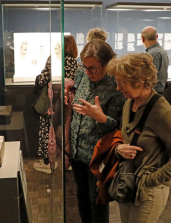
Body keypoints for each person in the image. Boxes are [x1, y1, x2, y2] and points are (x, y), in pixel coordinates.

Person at [104, 53, 171, 223]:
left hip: (148, 192)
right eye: (117, 82)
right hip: (127, 182)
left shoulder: (163, 112)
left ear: (140, 81)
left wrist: (148, 181)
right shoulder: (129, 103)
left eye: (121, 83)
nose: (118, 88)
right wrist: (119, 149)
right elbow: (123, 135)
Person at [68, 39, 125, 223]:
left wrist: (101, 118)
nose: (87, 72)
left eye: (93, 68)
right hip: (78, 151)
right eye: (84, 66)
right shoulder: (83, 74)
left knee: (97, 201)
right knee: (81, 196)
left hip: (98, 155)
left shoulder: (116, 85)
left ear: (107, 63)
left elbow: (119, 127)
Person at [34, 35, 78, 173]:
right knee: (66, 130)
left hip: (52, 101)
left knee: (48, 129)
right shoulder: (75, 62)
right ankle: (68, 160)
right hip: (68, 101)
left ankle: (48, 163)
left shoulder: (54, 60)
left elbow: (43, 79)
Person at [141, 26, 169, 95]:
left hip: (152, 93)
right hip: (159, 91)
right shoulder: (162, 51)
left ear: (142, 38)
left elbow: (150, 77)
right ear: (157, 36)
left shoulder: (152, 54)